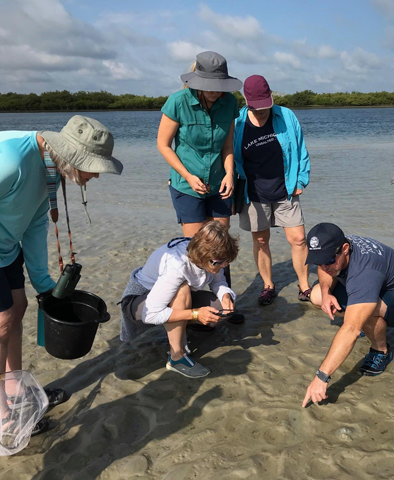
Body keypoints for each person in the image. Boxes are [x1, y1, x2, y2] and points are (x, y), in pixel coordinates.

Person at [0, 115, 123, 435]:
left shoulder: (51, 169)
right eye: (93, 167)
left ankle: (15, 391)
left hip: (4, 244)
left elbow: (34, 225)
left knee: (18, 308)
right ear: (72, 156)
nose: (96, 175)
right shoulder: (10, 163)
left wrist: (44, 286)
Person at [301, 222, 394, 405]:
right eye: (319, 261)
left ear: (345, 249)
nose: (324, 266)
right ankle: (367, 320)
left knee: (359, 317)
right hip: (379, 290)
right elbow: (323, 267)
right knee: (317, 295)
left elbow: (350, 329)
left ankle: (381, 351)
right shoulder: (337, 246)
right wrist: (326, 292)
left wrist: (321, 377)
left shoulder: (365, 270)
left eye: (329, 261)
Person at [157, 51, 242, 309]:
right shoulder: (177, 102)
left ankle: (225, 299)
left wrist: (229, 174)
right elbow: (163, 145)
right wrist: (188, 176)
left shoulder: (230, 104)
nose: (216, 92)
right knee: (196, 250)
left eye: (220, 87)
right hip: (186, 186)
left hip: (219, 184)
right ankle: (190, 306)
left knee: (221, 247)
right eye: (211, 88)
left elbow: (228, 147)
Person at [119, 221, 239, 378]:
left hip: (171, 296)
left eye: (227, 262)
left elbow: (219, 282)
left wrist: (225, 295)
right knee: (181, 290)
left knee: (218, 308)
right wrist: (195, 314)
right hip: (141, 302)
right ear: (202, 256)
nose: (224, 265)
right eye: (219, 262)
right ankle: (177, 357)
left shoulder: (215, 256)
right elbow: (151, 314)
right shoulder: (176, 266)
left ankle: (182, 325)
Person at [233, 75, 311, 305]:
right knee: (260, 241)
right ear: (246, 100)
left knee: (298, 239)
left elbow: (300, 148)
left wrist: (301, 180)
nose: (262, 111)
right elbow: (231, 156)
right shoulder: (237, 122)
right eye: (256, 108)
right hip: (253, 192)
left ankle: (304, 286)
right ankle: (268, 285)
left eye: (265, 106)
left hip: (286, 188)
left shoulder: (286, 116)